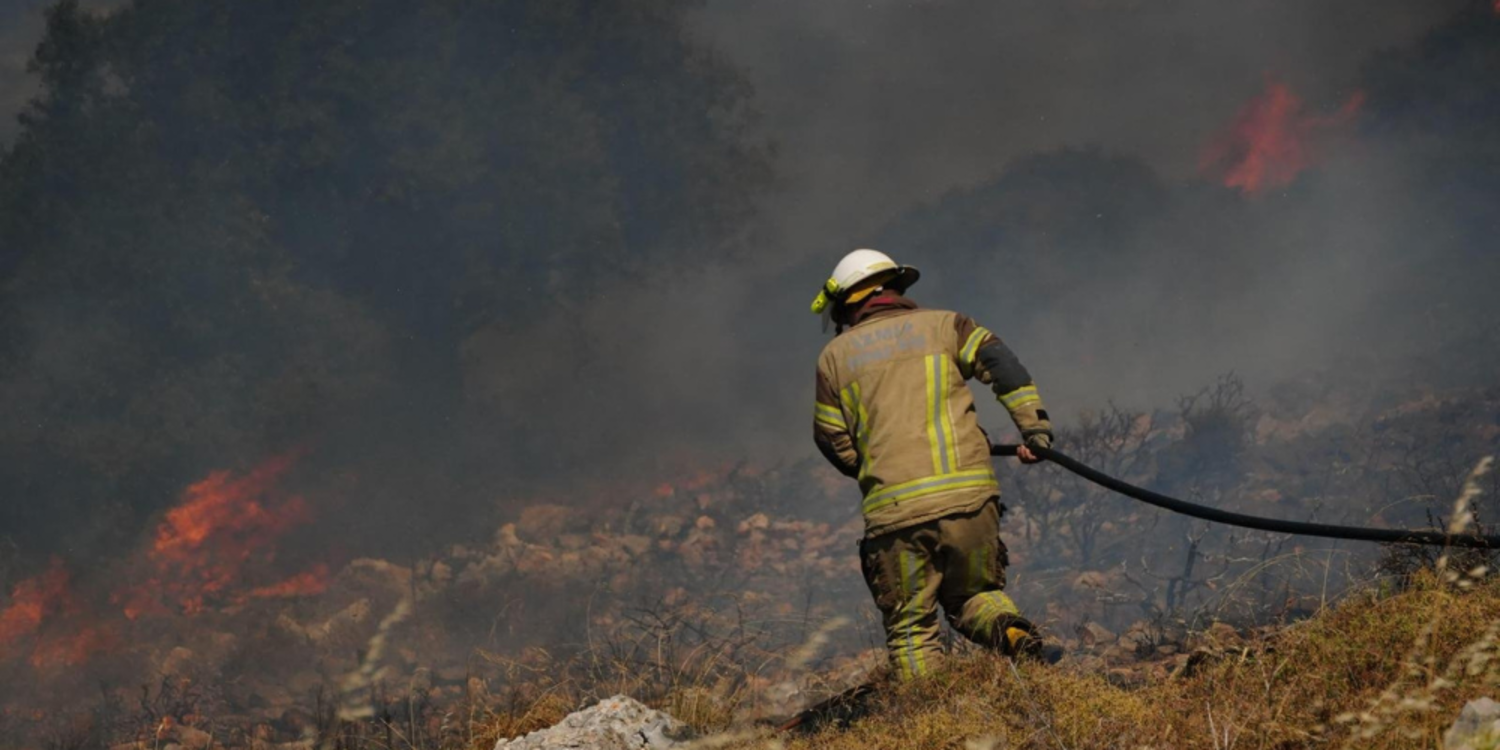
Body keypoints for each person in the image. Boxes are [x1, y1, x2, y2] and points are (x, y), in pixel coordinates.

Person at [810, 248, 1058, 680]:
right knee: (976, 594)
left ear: (848, 302)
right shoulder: (948, 325)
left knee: (911, 626)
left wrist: (874, 465)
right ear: (895, 288)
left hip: (896, 515)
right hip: (971, 501)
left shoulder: (834, 358)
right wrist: (1034, 432)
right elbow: (1004, 367)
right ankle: (1013, 632)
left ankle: (930, 718)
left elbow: (830, 439)